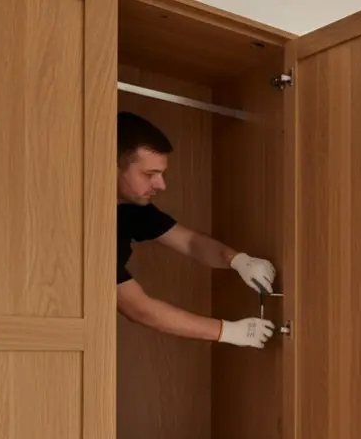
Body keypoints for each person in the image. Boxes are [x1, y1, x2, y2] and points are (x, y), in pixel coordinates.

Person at [115, 111, 276, 348]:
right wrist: (228, 331)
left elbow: (190, 242)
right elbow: (137, 308)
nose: (161, 184)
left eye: (162, 173)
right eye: (150, 174)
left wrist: (239, 260)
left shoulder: (132, 208)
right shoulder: (88, 225)